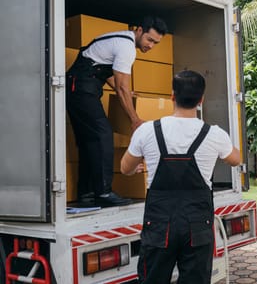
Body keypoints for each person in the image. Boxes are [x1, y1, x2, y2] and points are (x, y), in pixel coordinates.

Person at [120, 70, 241, 284]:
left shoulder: (147, 131)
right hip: (197, 225)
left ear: (172, 96)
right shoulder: (214, 134)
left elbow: (124, 168)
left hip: (159, 224)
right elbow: (236, 159)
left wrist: (138, 165)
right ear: (201, 99)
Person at [66, 16, 168, 207]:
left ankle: (86, 192)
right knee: (103, 134)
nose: (151, 45)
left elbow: (105, 75)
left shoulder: (120, 39)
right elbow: (121, 86)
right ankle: (103, 193)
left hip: (77, 88)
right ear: (139, 30)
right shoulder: (126, 47)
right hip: (80, 89)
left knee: (89, 141)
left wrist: (127, 93)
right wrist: (135, 118)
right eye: (149, 40)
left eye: (156, 43)